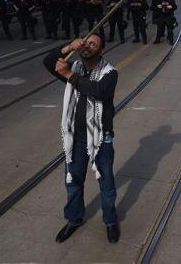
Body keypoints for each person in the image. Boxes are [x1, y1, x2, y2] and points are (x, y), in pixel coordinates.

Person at [43, 35, 120, 244]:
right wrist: (68, 46)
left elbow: (98, 91)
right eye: (85, 43)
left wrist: (69, 75)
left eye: (93, 44)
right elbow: (49, 62)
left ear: (102, 50)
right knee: (73, 181)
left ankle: (110, 221)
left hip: (100, 137)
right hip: (75, 137)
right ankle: (74, 219)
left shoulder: (109, 73)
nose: (87, 46)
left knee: (106, 182)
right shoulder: (75, 68)